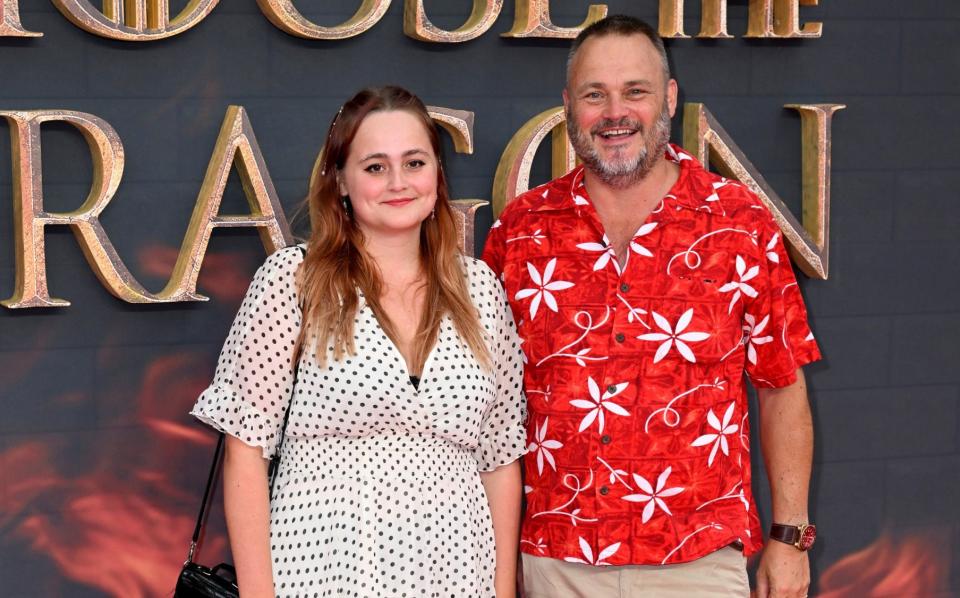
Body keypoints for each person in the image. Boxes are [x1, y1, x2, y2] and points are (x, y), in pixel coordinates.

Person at [482, 15, 820, 598]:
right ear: (569, 106)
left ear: (668, 97)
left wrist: (789, 539)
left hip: (697, 560)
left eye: (634, 91)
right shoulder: (520, 230)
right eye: (596, 95)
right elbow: (486, 405)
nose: (616, 113)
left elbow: (781, 384)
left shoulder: (739, 222)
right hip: (553, 560)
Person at [191, 86, 526, 598]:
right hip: (322, 572)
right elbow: (245, 452)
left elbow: (500, 460)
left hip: (459, 575)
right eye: (374, 167)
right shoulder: (294, 280)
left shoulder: (479, 288)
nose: (398, 182)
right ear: (340, 180)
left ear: (437, 172)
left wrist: (503, 592)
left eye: (414, 162)